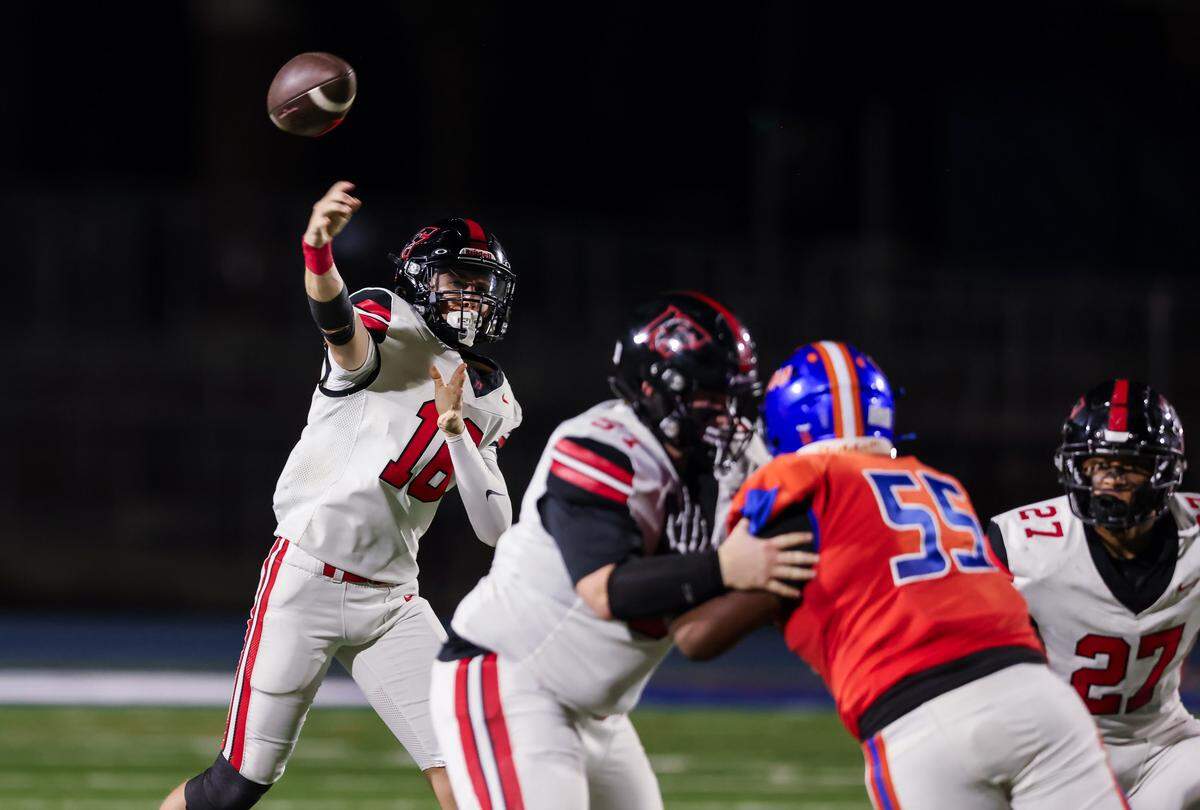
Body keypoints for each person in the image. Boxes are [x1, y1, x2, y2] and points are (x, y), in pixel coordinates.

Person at [161, 181, 522, 810]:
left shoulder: (488, 390)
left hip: (394, 602)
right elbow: (339, 327)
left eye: (480, 284)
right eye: (457, 280)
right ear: (421, 280)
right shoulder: (388, 324)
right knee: (235, 786)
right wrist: (317, 253)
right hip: (308, 580)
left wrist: (456, 429)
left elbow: (495, 528)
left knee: (469, 773)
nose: (471, 296)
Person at [671, 342, 1130, 809]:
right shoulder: (939, 485)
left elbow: (697, 636)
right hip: (1038, 696)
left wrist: (712, 558)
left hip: (922, 720)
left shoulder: (807, 485)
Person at [427, 292, 815, 810]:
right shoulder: (599, 446)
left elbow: (695, 633)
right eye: (707, 397)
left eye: (732, 398)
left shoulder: (734, 460)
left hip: (599, 709)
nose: (726, 415)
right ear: (652, 390)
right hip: (510, 678)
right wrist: (726, 567)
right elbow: (605, 590)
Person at [987, 379, 1200, 809]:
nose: (1107, 480)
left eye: (1127, 465)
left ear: (1164, 472)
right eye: (1097, 464)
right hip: (1057, 752)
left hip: (1165, 743)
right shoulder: (1023, 545)